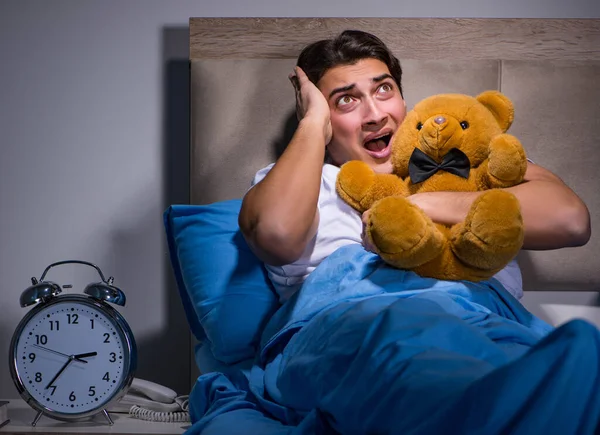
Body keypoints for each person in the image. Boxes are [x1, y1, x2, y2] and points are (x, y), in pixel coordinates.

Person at [238, 30, 591, 303]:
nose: (375, 114)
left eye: (384, 89)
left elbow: (571, 221)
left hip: (484, 333)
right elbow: (277, 236)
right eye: (346, 100)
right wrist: (313, 123)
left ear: (404, 101)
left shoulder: (471, 160)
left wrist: (421, 204)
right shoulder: (300, 179)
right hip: (361, 342)